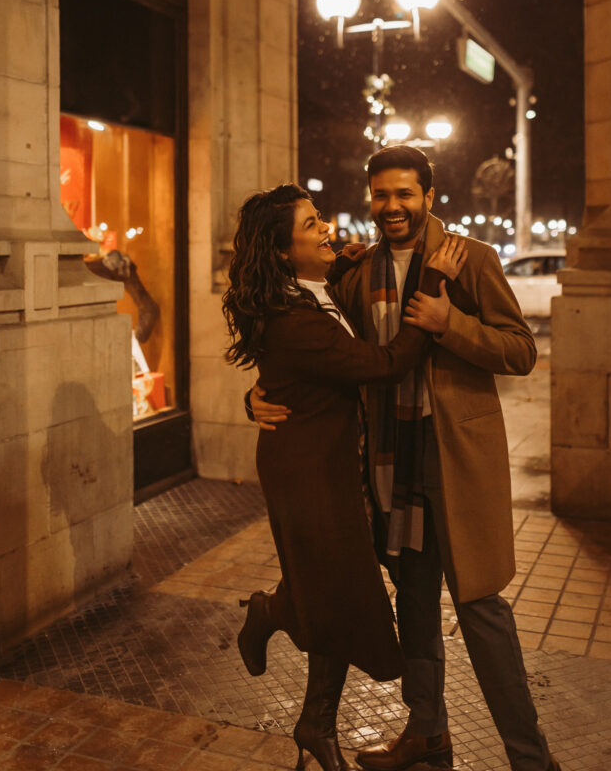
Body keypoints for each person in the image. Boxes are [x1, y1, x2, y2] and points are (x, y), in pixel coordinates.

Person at [249, 147, 562, 771]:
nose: (392, 207)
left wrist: (450, 324)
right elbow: (309, 346)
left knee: (481, 612)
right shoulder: (356, 270)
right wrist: (257, 395)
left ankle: (532, 760)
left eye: (405, 195)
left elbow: (522, 350)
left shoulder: (469, 259)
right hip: (390, 467)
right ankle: (427, 735)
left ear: (429, 195)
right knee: (413, 603)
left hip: (456, 465)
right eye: (381, 195)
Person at [222, 182, 467, 771]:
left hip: (333, 462)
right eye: (312, 225)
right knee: (336, 594)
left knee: (330, 592)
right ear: (283, 250)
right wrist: (433, 288)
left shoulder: (312, 291)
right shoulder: (292, 319)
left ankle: (315, 723)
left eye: (321, 218)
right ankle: (273, 614)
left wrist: (362, 256)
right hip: (307, 472)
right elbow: (385, 363)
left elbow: (292, 373)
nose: (327, 228)